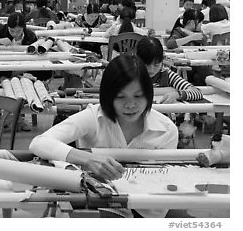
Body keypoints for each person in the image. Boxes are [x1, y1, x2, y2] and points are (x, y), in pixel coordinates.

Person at [29, 54, 178, 192]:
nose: (131, 105)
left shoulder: (166, 129)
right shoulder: (94, 117)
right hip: (98, 202)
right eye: (121, 97)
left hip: (148, 204)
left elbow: (164, 181)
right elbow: (39, 143)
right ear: (108, 96)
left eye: (138, 96)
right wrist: (87, 159)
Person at [136, 37, 204, 102]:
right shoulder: (131, 74)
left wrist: (178, 94)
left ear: (162, 60)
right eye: (146, 65)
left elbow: (197, 92)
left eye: (156, 65)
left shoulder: (167, 74)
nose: (151, 70)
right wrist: (167, 90)